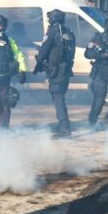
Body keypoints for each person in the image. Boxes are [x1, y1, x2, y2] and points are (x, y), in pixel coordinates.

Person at [34, 9, 76, 138]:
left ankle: (64, 128)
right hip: (66, 70)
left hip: (56, 71)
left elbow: (43, 51)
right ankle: (62, 125)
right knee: (59, 96)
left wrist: (38, 64)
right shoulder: (69, 32)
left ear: (52, 19)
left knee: (58, 98)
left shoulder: (52, 32)